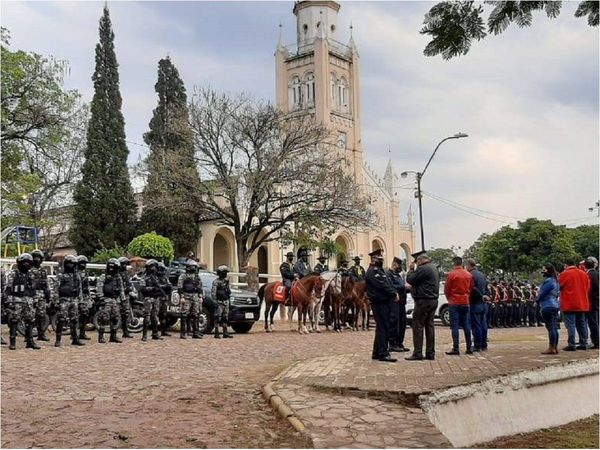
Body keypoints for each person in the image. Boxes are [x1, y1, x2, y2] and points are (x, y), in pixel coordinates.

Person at [405, 251, 440, 361]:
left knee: (418, 326)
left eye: (417, 261)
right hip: (433, 300)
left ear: (420, 260)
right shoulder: (433, 267)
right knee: (429, 326)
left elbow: (410, 280)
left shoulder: (423, 268)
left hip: (423, 301)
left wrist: (411, 269)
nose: (416, 263)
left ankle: (418, 353)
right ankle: (430, 353)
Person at [365, 249, 397, 362]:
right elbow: (382, 285)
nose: (381, 260)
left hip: (384, 302)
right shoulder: (373, 271)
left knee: (380, 328)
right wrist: (394, 293)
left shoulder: (380, 270)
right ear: (373, 259)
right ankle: (383, 353)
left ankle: (377, 352)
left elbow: (388, 283)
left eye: (381, 258)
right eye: (379, 258)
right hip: (379, 303)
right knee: (384, 328)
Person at [4, 253, 40, 350]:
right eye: (24, 263)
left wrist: (35, 300)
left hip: (29, 301)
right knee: (14, 320)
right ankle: (12, 342)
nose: (26, 265)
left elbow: (34, 289)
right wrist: (9, 301)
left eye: (28, 263)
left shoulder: (31, 275)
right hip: (17, 300)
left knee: (30, 321)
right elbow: (8, 288)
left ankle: (30, 341)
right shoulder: (13, 274)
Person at [559, 258, 591, 351]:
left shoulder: (564, 274)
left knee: (571, 324)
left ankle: (572, 344)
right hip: (582, 303)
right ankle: (583, 342)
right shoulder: (584, 274)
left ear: (566, 265)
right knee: (582, 324)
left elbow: (559, 286)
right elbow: (588, 288)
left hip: (569, 303)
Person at [53, 255, 85, 347]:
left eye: (72, 264)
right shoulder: (61, 275)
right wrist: (56, 301)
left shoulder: (76, 276)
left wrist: (81, 301)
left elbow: (80, 289)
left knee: (74, 319)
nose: (71, 266)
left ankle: (75, 338)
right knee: (61, 319)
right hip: (64, 300)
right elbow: (56, 289)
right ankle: (58, 340)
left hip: (74, 300)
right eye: (69, 264)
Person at [444, 256, 474, 355]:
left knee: (455, 326)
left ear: (454, 263)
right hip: (465, 301)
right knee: (466, 325)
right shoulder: (468, 275)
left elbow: (447, 289)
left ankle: (456, 348)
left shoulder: (451, 275)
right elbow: (471, 288)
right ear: (462, 263)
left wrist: (450, 298)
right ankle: (469, 347)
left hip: (454, 301)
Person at [96, 258, 124, 343]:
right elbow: (99, 287)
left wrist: (122, 299)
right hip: (106, 299)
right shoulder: (103, 276)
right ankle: (101, 336)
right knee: (104, 318)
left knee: (115, 318)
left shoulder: (118, 277)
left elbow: (121, 288)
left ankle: (113, 336)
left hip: (115, 299)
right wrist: (101, 298)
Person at [138, 259, 165, 341]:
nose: (153, 268)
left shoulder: (157, 277)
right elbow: (142, 289)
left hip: (156, 298)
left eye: (154, 266)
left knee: (155, 317)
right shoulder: (144, 277)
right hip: (148, 298)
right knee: (147, 316)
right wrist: (151, 289)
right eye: (151, 267)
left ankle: (155, 334)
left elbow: (163, 286)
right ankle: (144, 335)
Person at [466, 259, 490, 352]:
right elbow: (486, 288)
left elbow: (472, 289)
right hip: (483, 304)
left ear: (468, 266)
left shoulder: (470, 275)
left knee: (476, 326)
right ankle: (484, 344)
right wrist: (486, 296)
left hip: (475, 303)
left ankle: (477, 345)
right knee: (483, 324)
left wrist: (480, 295)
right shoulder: (482, 275)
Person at [536, 264, 560, 354]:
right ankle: (555, 347)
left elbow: (542, 294)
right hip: (555, 305)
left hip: (547, 305)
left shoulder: (548, 281)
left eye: (544, 270)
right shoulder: (556, 281)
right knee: (554, 327)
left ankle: (551, 347)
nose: (542, 272)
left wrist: (537, 299)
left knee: (550, 327)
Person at [386, 256, 409, 352]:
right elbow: (391, 286)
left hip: (402, 302)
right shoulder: (388, 274)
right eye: (399, 266)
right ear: (394, 264)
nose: (400, 268)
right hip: (394, 302)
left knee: (402, 323)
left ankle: (400, 343)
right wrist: (403, 286)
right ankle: (393, 344)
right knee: (394, 322)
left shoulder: (398, 275)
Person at [178, 260, 203, 339]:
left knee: (195, 314)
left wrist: (200, 296)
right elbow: (180, 287)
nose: (194, 268)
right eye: (192, 266)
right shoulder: (183, 276)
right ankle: (183, 332)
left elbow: (200, 287)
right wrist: (181, 297)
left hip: (195, 296)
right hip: (186, 296)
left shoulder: (197, 276)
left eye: (195, 267)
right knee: (184, 314)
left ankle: (195, 332)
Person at [30, 249, 51, 342]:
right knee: (30, 316)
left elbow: (46, 284)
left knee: (41, 315)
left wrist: (48, 295)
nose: (37, 259)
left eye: (39, 257)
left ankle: (41, 334)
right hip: (31, 295)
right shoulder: (28, 269)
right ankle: (29, 335)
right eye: (35, 257)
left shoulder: (43, 270)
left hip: (41, 295)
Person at [212, 265, 233, 338]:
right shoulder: (216, 282)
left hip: (226, 301)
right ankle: (216, 332)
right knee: (217, 317)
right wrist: (215, 302)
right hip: (219, 302)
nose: (225, 274)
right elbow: (213, 293)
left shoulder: (226, 281)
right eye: (224, 272)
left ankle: (225, 332)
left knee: (225, 317)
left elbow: (228, 291)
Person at [584, 257, 599, 349]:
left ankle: (596, 341)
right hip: (595, 300)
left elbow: (590, 288)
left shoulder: (589, 275)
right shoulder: (596, 273)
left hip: (591, 301)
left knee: (592, 322)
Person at [117, 256, 134, 339]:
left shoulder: (126, 273)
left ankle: (125, 331)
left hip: (126, 296)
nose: (124, 266)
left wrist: (130, 288)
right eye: (123, 264)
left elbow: (129, 283)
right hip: (118, 297)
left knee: (126, 314)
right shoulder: (116, 273)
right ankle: (114, 333)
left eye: (125, 265)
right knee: (115, 314)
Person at [77, 255, 92, 341]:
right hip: (77, 296)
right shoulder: (75, 272)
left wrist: (89, 296)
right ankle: (75, 333)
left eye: (84, 263)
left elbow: (87, 285)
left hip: (85, 296)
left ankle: (82, 333)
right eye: (81, 263)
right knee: (76, 315)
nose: (83, 265)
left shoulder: (85, 272)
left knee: (85, 314)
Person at [157, 261, 173, 337]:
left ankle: (164, 331)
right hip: (157, 298)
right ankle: (155, 331)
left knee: (164, 315)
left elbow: (170, 286)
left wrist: (168, 286)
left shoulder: (164, 278)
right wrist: (163, 286)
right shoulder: (154, 277)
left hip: (164, 298)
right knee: (154, 315)